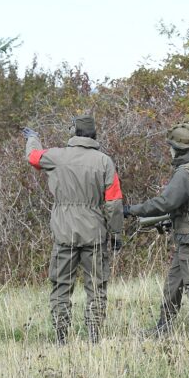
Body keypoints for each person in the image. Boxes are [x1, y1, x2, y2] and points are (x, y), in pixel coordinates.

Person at [23, 115, 124, 344]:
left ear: (73, 132)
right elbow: (114, 201)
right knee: (97, 287)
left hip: (64, 232)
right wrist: (116, 233)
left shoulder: (57, 156)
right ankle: (94, 337)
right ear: (93, 134)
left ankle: (61, 338)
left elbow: (32, 157)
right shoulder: (104, 161)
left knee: (61, 286)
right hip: (95, 232)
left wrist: (33, 138)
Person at [124, 123, 189, 334]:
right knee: (173, 284)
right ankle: (163, 326)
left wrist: (133, 210)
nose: (169, 150)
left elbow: (165, 202)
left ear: (177, 148)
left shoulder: (184, 173)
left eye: (170, 146)